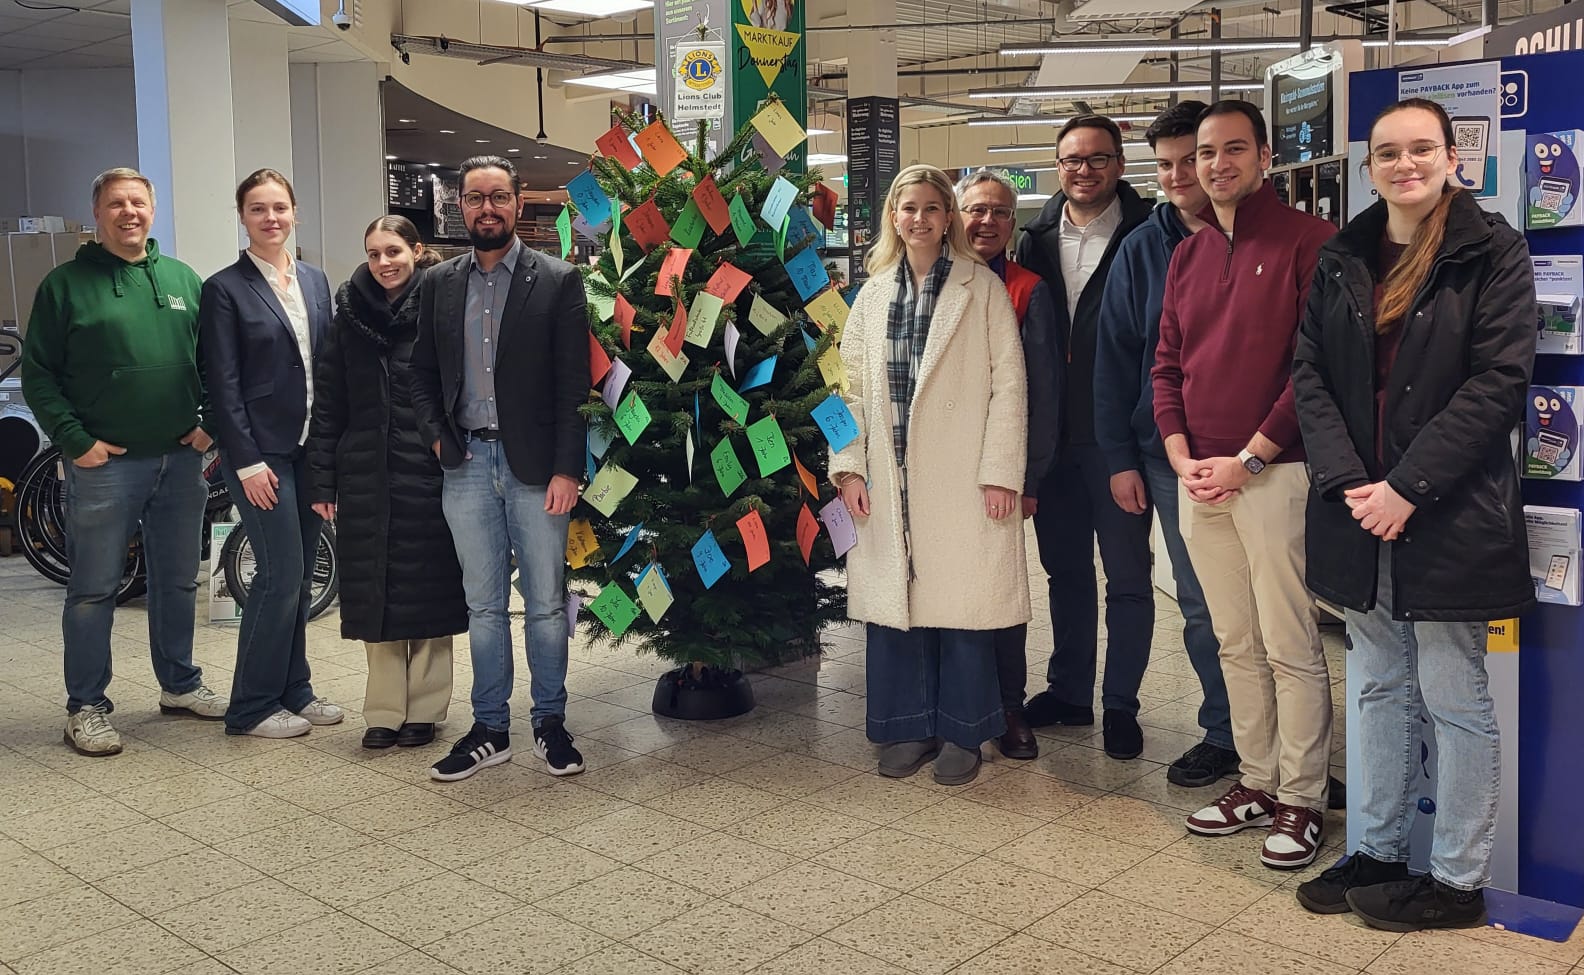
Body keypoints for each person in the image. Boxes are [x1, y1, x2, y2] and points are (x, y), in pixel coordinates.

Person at [1291, 97, 1536, 929]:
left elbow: (1497, 386)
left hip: (1446, 510)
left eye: (1421, 149)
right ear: (1370, 167)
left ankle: (1458, 879)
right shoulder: (1342, 256)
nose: (1406, 164)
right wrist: (1354, 481)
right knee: (1378, 684)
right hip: (1360, 509)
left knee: (1454, 692)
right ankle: (1377, 847)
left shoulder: (1492, 252)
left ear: (1452, 157)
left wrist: (1407, 487)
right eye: (1389, 152)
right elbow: (1310, 374)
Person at [1152, 101, 1337, 869]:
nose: (1217, 164)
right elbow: (1166, 365)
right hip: (1201, 479)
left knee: (1291, 641)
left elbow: (1314, 367)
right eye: (1204, 153)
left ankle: (1302, 796)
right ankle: (1257, 779)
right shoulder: (1188, 257)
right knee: (1235, 640)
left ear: (1265, 155)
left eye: (1234, 149)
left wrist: (1250, 458)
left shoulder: (1310, 242)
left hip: (1276, 474)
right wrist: (1180, 454)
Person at [830, 163, 1029, 788]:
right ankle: (906, 724)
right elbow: (850, 391)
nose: (920, 218)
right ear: (893, 216)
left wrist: (1001, 472)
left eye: (932, 209)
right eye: (908, 207)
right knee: (899, 604)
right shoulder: (870, 294)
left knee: (963, 607)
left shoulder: (982, 288)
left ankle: (964, 731)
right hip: (887, 476)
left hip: (962, 472)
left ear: (949, 220)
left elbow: (1010, 385)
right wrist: (847, 468)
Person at [21, 167, 227, 756]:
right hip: (103, 466)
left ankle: (179, 685)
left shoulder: (183, 278)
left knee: (178, 581)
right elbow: (40, 376)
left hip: (179, 464)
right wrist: (73, 439)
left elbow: (213, 362)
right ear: (98, 212)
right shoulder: (64, 286)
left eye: (138, 202)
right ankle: (85, 705)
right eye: (117, 203)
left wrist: (207, 424)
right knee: (93, 589)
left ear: (152, 210)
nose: (129, 212)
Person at [408, 155, 591, 781]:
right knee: (481, 606)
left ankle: (549, 721)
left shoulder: (559, 280)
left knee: (543, 603)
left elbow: (574, 385)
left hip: (538, 469)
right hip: (464, 463)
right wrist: (437, 439)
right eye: (475, 198)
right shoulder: (438, 283)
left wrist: (569, 468)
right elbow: (421, 375)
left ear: (518, 204)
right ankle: (489, 728)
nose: (487, 208)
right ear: (461, 206)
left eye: (499, 198)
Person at [1093, 101, 1239, 788]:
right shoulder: (1140, 249)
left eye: (1196, 159)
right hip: (1165, 456)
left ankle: (1275, 740)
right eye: (1171, 165)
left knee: (1271, 607)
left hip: (1255, 453)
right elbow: (1116, 360)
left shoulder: (1266, 238)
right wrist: (1122, 457)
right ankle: (1224, 732)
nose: (1185, 175)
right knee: (1202, 599)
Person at [1014, 114, 1156, 760]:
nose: (1084, 170)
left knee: (1128, 574)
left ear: (1119, 165)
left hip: (1118, 438)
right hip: (1055, 437)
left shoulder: (1150, 232)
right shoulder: (1034, 238)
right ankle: (1069, 691)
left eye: (1098, 159)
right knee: (1064, 570)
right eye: (1072, 159)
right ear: (1057, 166)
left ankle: (1120, 703)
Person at [307, 216, 468, 750]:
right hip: (365, 472)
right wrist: (323, 480)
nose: (384, 263)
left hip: (427, 468)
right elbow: (329, 402)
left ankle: (425, 707)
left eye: (394, 251)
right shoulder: (348, 314)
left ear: (417, 251)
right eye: (374, 253)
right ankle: (382, 709)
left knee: (428, 588)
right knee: (374, 591)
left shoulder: (443, 306)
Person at [202, 168, 344, 739]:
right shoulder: (225, 288)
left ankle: (295, 689)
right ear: (243, 217)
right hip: (260, 455)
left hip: (310, 449)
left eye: (279, 207)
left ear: (295, 213)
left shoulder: (313, 279)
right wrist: (247, 459)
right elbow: (221, 384)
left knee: (301, 573)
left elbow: (325, 367)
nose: (271, 218)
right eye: (258, 209)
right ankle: (252, 706)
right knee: (278, 574)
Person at [954, 168, 1060, 760]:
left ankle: (1010, 707)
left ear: (1012, 222)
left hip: (1002, 472)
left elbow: (1041, 395)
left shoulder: (1026, 290)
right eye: (976, 210)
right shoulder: (933, 284)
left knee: (1000, 591)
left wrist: (1027, 479)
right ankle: (958, 704)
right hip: (940, 471)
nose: (986, 221)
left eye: (998, 212)